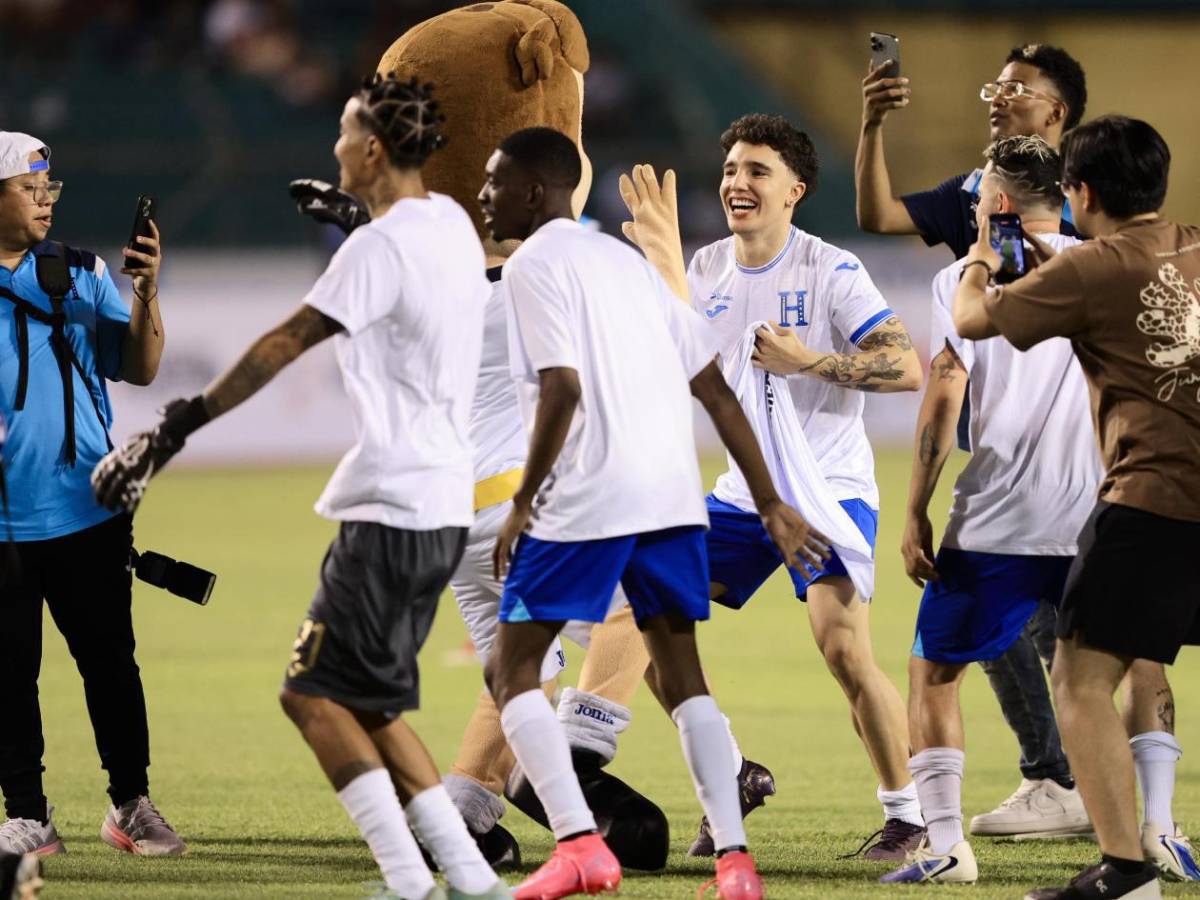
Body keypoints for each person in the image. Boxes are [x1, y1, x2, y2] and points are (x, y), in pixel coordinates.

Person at [92, 75, 508, 900]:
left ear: (376, 149)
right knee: (374, 708)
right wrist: (360, 217)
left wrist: (172, 428)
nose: (336, 149)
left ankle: (408, 880)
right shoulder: (453, 224)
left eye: (346, 135)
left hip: (387, 507)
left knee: (310, 696)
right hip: (441, 507)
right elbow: (411, 265)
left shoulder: (375, 252)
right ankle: (467, 879)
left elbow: (286, 341)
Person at [479, 126, 828, 900]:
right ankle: (736, 866)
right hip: (670, 497)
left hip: (587, 495)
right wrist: (768, 500)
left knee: (510, 671)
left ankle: (577, 846)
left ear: (536, 191)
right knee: (687, 680)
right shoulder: (626, 263)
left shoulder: (534, 264)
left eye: (496, 180)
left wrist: (524, 502)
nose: (483, 193)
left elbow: (561, 389)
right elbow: (715, 388)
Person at [623, 113, 927, 860]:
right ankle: (732, 773)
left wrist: (811, 363)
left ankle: (909, 817)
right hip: (741, 494)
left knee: (843, 649)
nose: (737, 183)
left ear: (795, 189)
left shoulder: (831, 270)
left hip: (829, 488)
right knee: (643, 621)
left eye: (757, 171)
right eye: (730, 169)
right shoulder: (704, 269)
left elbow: (907, 367)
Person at [953, 114, 1200, 900]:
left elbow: (972, 322)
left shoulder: (1091, 265)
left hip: (1153, 499)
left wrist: (982, 260)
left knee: (1081, 676)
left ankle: (1127, 872)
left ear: (1080, 193)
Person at [886, 135, 1094, 884]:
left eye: (980, 201)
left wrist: (915, 508)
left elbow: (945, 393)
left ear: (999, 205)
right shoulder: (1104, 267)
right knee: (1115, 679)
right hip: (1095, 519)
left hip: (1000, 520)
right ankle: (1152, 832)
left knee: (934, 674)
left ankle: (946, 847)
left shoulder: (962, 283)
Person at [0, 131, 185, 857]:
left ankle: (130, 804)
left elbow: (138, 366)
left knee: (110, 663)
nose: (46, 199)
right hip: (5, 524)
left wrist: (145, 290)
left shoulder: (79, 271)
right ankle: (27, 813)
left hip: (89, 507)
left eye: (51, 188)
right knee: (10, 672)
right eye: (29, 187)